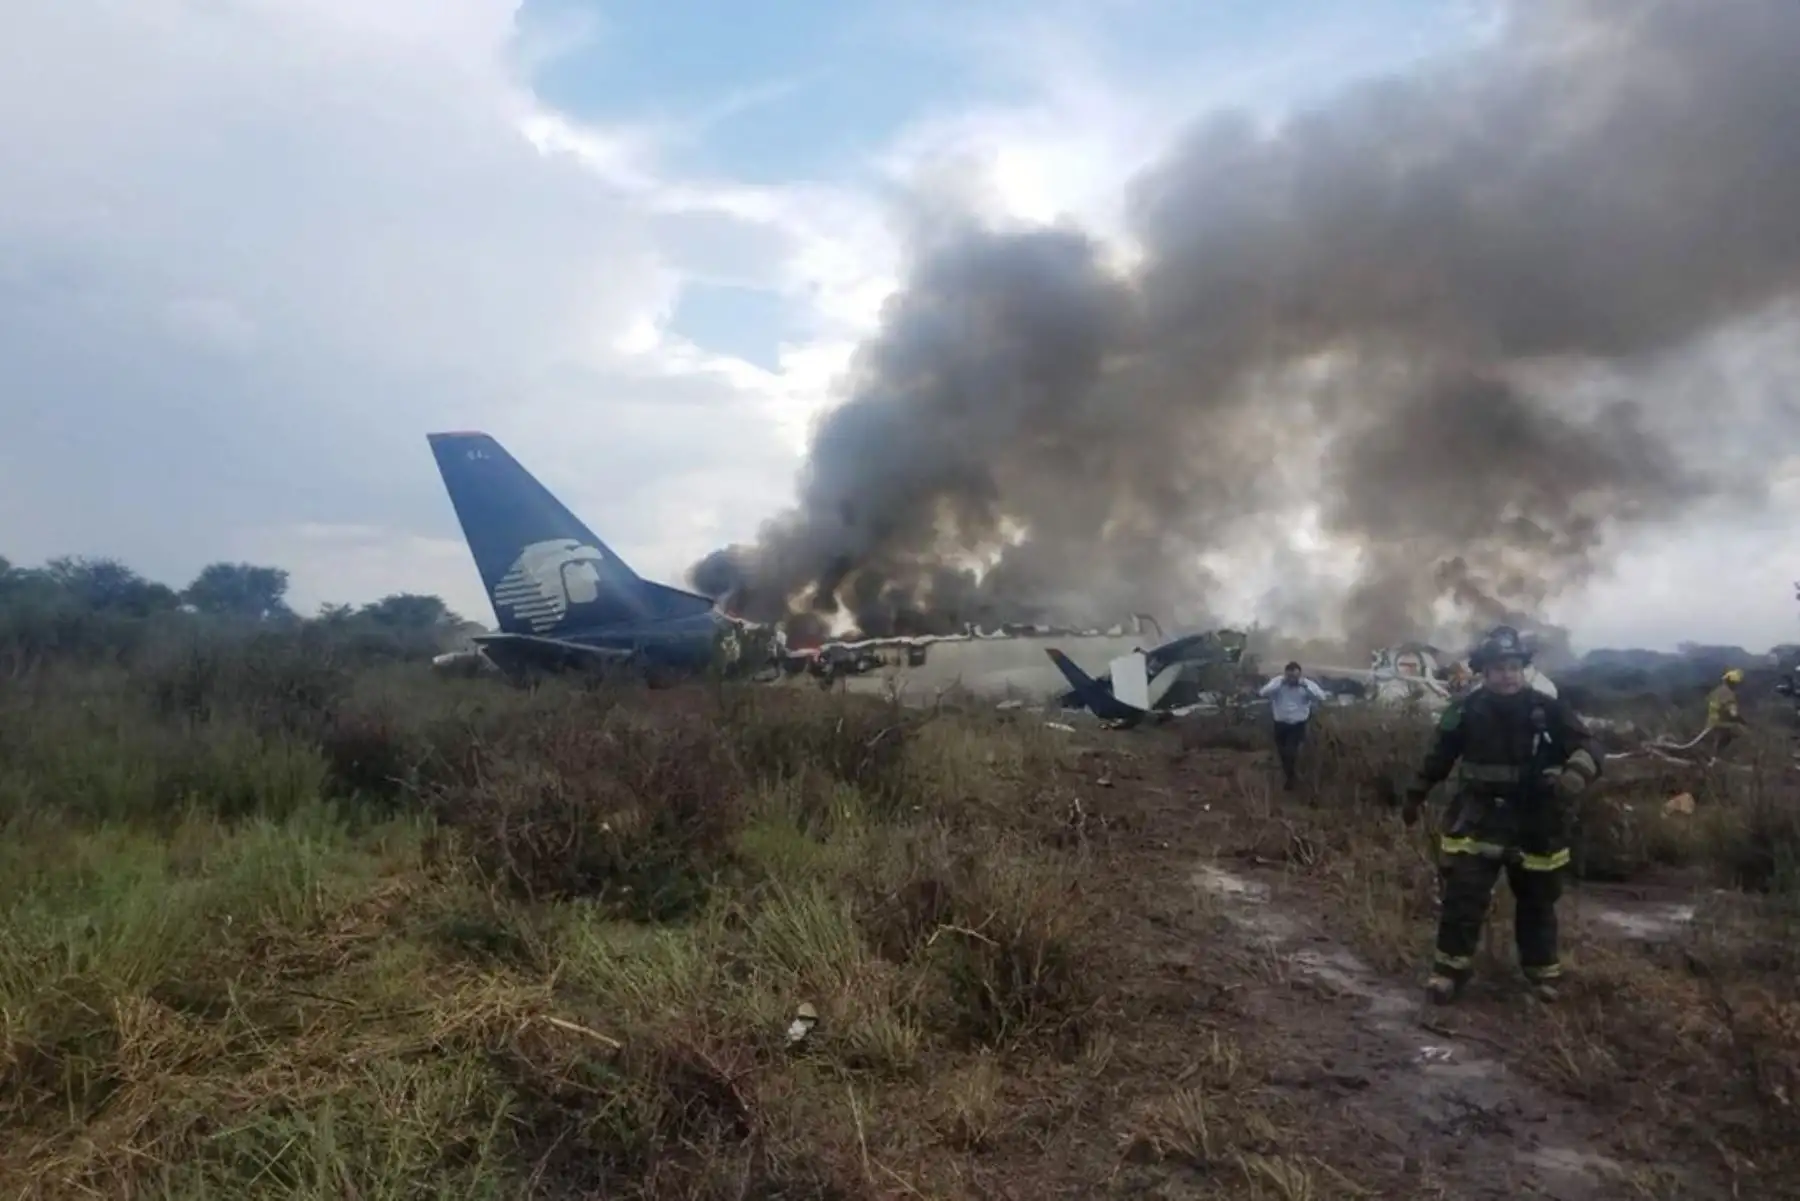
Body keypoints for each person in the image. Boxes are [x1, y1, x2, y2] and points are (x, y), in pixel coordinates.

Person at [1401, 625, 1601, 1004]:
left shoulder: (1548, 708)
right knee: (1463, 896)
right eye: (1498, 668)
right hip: (1479, 817)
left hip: (1536, 821)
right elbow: (1438, 758)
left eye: (1513, 666)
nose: (1507, 675)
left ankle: (1542, 976)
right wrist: (1415, 795)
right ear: (1484, 672)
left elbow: (1589, 745)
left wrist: (1576, 773)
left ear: (1522, 669)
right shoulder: (1465, 711)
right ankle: (1448, 973)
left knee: (1537, 902)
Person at [1259, 661, 1329, 790]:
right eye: (1289, 676)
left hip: (1297, 724)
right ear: (1285, 674)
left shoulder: (1307, 684)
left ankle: (1291, 780)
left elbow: (1321, 697)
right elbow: (1263, 692)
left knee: (1291, 751)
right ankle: (1290, 775)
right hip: (1280, 723)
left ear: (1299, 675)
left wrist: (1305, 687)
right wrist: (1280, 684)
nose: (1292, 680)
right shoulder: (1278, 683)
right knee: (1282, 753)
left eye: (1294, 677)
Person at [1704, 668, 1747, 757]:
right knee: (1742, 733)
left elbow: (1709, 702)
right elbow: (1733, 714)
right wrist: (1743, 722)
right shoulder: (1729, 695)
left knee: (1718, 740)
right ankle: (1723, 758)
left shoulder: (1717, 691)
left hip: (1711, 721)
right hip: (1721, 723)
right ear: (1734, 683)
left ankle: (1714, 757)